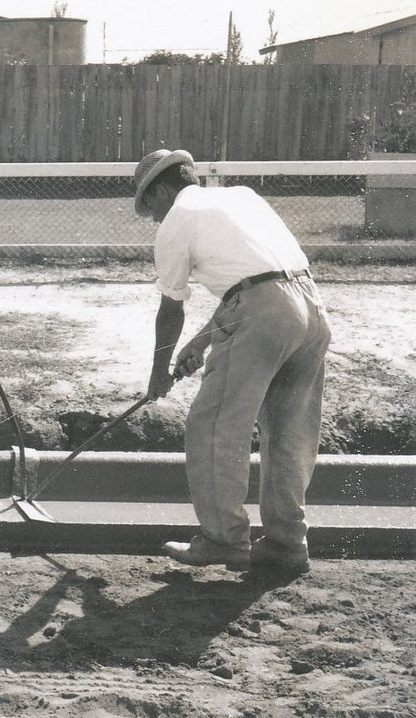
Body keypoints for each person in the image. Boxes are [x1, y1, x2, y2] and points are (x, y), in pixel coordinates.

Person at [135, 148, 331, 575]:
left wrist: (157, 373)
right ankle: (286, 542)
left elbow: (172, 310)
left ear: (163, 190)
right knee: (288, 432)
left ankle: (223, 538)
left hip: (262, 312)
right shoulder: (242, 196)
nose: (152, 218)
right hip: (310, 309)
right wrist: (203, 342)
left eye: (149, 206)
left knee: (214, 426)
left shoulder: (176, 220)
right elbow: (259, 280)